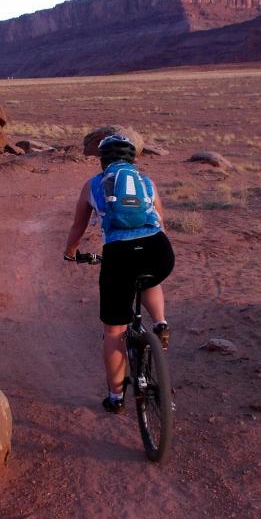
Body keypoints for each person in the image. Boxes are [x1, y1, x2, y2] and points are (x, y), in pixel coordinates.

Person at [63, 134, 175, 414]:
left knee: (114, 331)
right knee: (150, 277)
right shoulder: (147, 182)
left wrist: (71, 251)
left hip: (120, 256)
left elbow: (78, 226)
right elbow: (161, 222)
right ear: (132, 159)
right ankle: (160, 323)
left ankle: (116, 398)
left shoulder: (93, 185)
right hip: (159, 251)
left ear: (103, 161)